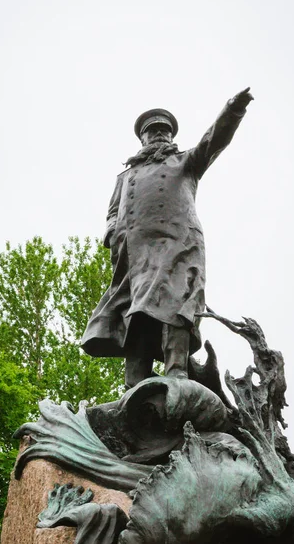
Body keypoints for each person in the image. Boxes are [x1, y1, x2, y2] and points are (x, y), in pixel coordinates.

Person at [81, 88, 254, 388]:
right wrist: (112, 233)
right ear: (143, 138)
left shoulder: (185, 162)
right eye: (153, 131)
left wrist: (232, 110)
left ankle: (177, 374)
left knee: (176, 304)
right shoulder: (125, 177)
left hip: (178, 245)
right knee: (135, 313)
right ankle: (134, 383)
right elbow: (113, 211)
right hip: (135, 256)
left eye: (164, 130)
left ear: (172, 137)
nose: (159, 134)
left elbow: (214, 140)